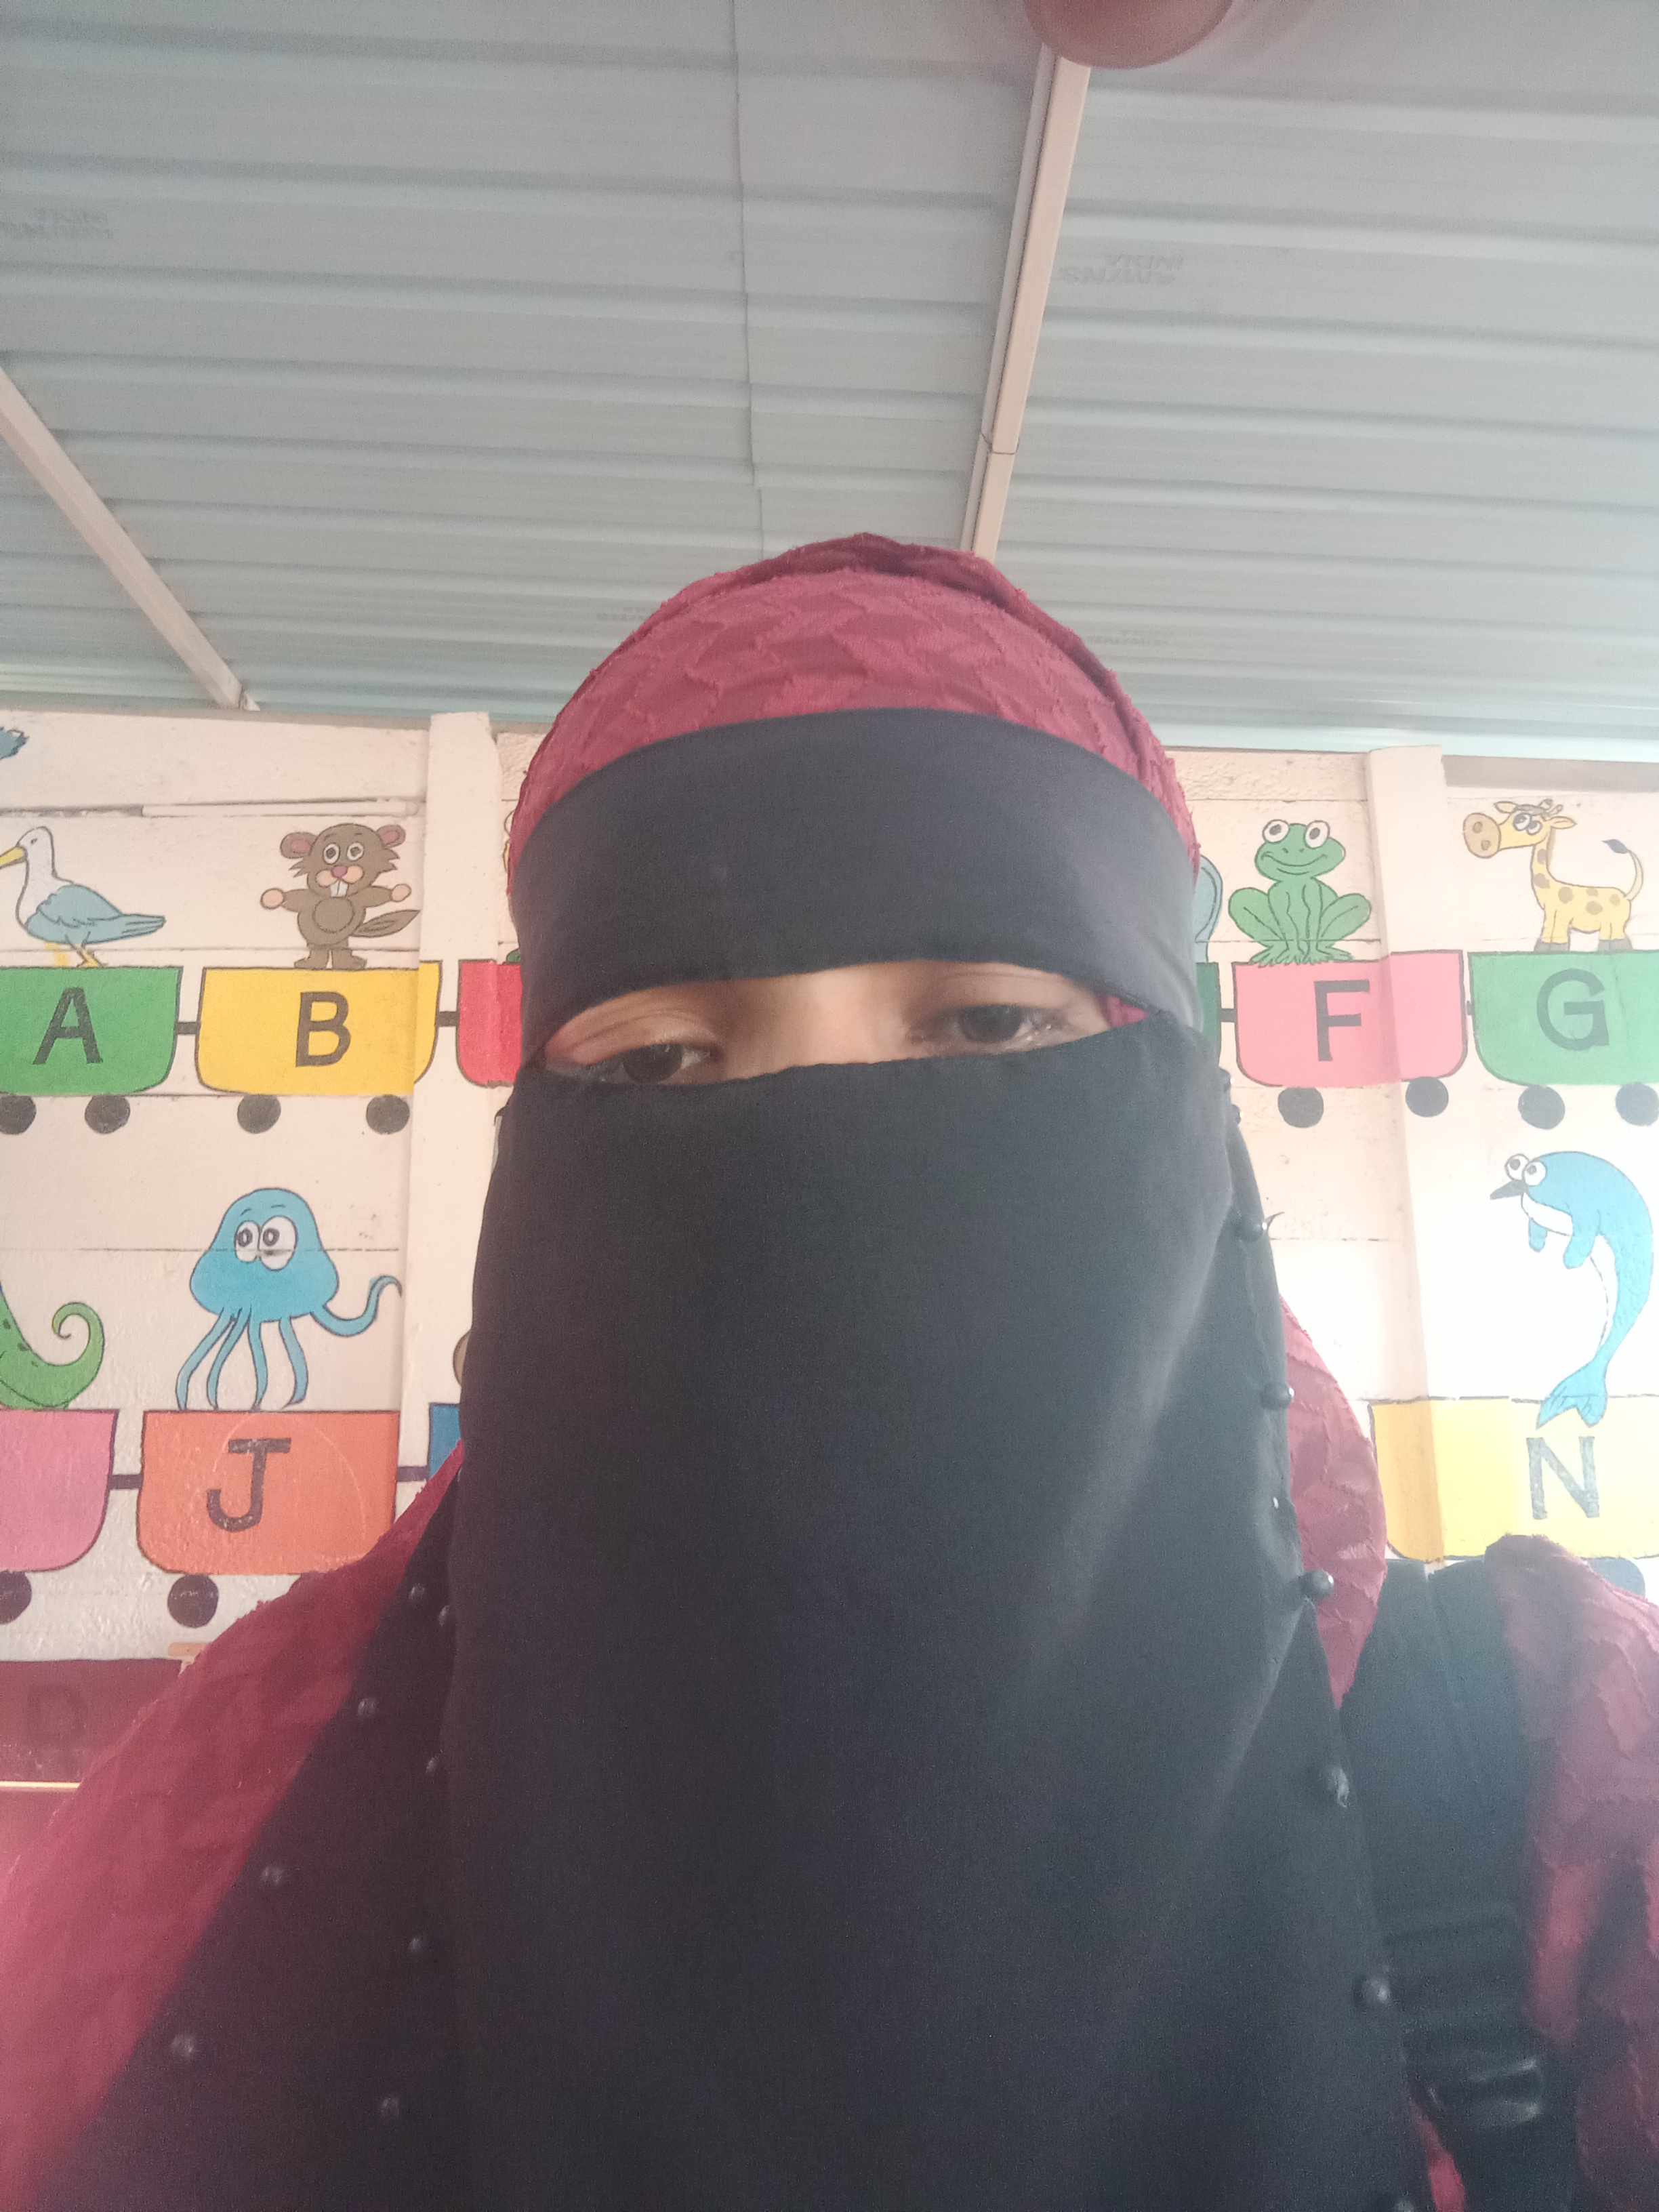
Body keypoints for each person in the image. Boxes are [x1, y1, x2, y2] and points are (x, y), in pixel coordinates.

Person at [2, 536, 1656, 2212]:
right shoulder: (236, 1800)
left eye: (989, 1027)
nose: (827, 1152)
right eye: (661, 1057)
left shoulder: (1545, 1744)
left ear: (1170, 1080)